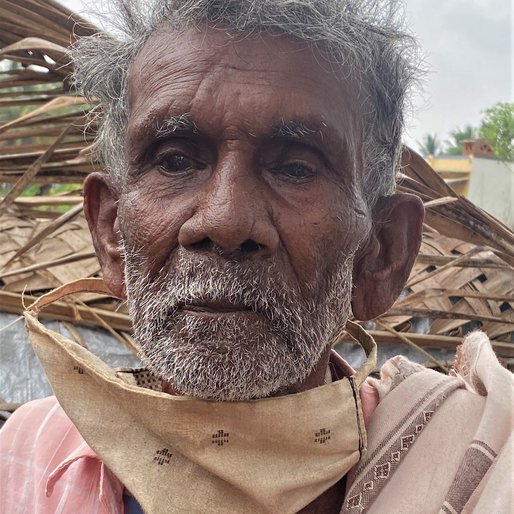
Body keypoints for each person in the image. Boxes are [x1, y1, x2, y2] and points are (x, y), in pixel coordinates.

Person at [1, 0, 512, 512]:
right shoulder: (28, 454)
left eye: (295, 167)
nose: (224, 222)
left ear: (380, 252)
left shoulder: (481, 465)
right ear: (110, 231)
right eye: (175, 160)